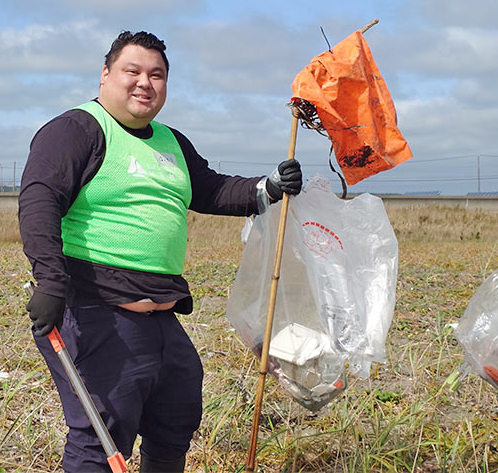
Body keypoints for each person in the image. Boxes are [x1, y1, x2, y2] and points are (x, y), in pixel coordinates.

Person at [18, 30, 302, 472]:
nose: (144, 83)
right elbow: (39, 201)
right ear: (106, 74)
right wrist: (51, 282)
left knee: (176, 418)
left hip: (162, 319)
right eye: (132, 71)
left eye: (157, 75)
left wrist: (267, 187)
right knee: (102, 437)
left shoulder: (172, 142)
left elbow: (211, 190)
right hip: (97, 312)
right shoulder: (76, 131)